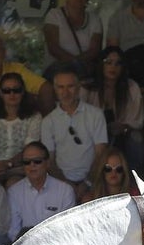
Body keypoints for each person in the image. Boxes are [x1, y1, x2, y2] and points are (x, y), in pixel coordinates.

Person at [40, 65, 107, 196]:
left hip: (93, 181)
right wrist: (66, 185)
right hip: (60, 184)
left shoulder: (96, 115)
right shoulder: (48, 121)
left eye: (70, 86)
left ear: (78, 87)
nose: (65, 92)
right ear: (55, 89)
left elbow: (101, 154)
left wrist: (87, 183)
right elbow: (49, 161)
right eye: (60, 87)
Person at [82, 46, 144, 172]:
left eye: (118, 63)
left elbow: (137, 121)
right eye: (108, 62)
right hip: (92, 135)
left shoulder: (132, 87)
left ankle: (132, 175)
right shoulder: (87, 88)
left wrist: (124, 127)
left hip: (123, 134)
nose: (113, 67)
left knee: (136, 138)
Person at [0, 71, 42, 182]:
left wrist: (8, 164)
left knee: (13, 183)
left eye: (16, 90)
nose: (12, 94)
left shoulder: (34, 117)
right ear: (0, 93)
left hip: (21, 168)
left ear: (23, 92)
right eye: (7, 91)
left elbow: (30, 150)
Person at [6, 141, 75, 241]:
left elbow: (67, 229)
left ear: (47, 163)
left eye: (37, 161)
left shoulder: (65, 191)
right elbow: (13, 231)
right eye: (27, 162)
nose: (32, 165)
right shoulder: (14, 192)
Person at [41, 0, 101, 80]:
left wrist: (78, 64)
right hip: (57, 68)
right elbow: (53, 48)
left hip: (84, 68)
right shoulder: (54, 15)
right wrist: (75, 64)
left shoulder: (94, 19)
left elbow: (94, 50)